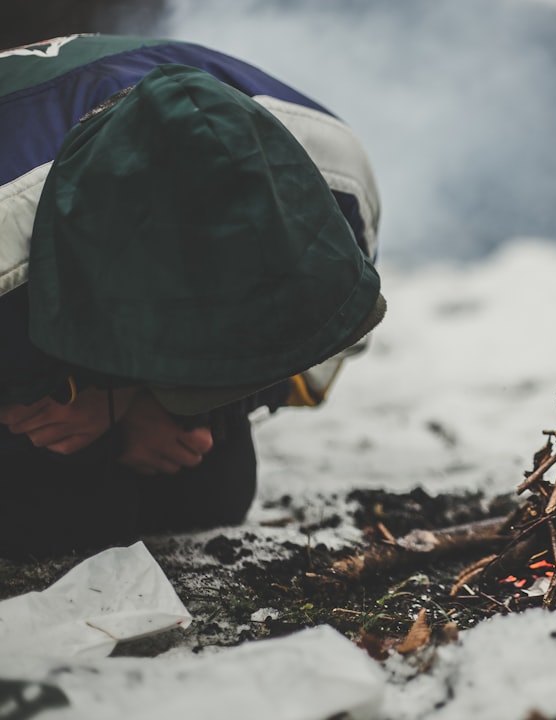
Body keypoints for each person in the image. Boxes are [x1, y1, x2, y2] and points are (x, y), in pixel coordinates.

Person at [0, 35, 385, 558]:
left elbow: (320, 332)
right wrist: (82, 394)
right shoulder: (9, 237)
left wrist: (147, 400)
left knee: (209, 491)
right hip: (21, 287)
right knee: (56, 519)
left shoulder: (333, 174)